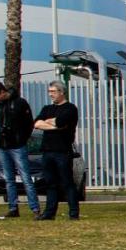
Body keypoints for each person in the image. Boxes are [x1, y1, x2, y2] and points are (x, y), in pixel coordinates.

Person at [0, 80, 40, 218]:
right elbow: (0, 122)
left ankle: (34, 208)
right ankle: (13, 207)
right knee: (9, 178)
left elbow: (29, 123)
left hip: (17, 144)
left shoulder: (19, 103)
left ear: (2, 92)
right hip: (4, 145)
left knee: (25, 177)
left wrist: (22, 137)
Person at [32, 81, 80, 220]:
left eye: (53, 91)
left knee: (67, 183)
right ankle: (49, 213)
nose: (50, 94)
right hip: (47, 151)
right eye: (49, 91)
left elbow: (61, 122)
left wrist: (52, 123)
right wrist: (54, 125)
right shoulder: (47, 108)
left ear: (61, 92)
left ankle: (73, 213)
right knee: (50, 183)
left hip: (62, 151)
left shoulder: (70, 108)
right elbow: (37, 123)